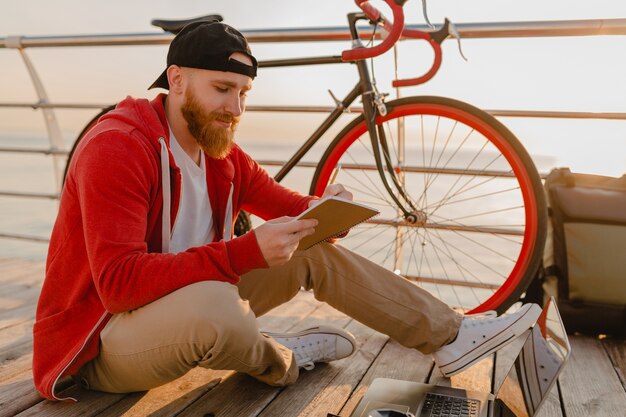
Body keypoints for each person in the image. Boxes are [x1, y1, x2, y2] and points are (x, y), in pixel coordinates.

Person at [32, 21, 541, 401]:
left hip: (184, 299)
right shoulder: (119, 146)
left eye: (244, 94)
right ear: (177, 79)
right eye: (223, 90)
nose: (234, 109)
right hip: (101, 341)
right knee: (218, 313)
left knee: (304, 252)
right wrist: (240, 253)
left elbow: (291, 209)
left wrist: (327, 212)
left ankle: (449, 336)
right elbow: (119, 285)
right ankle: (285, 358)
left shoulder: (219, 152)